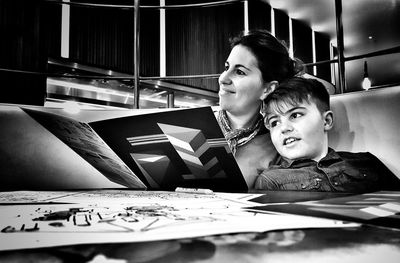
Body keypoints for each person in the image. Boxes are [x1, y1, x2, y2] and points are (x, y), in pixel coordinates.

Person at [255, 77, 400, 192]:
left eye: (295, 115)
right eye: (274, 122)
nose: (284, 128)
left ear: (327, 121)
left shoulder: (367, 162)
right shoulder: (271, 181)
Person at [216, 29, 303, 188]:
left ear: (268, 89)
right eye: (226, 67)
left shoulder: (278, 143)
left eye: (239, 72)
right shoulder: (191, 127)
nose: (223, 78)